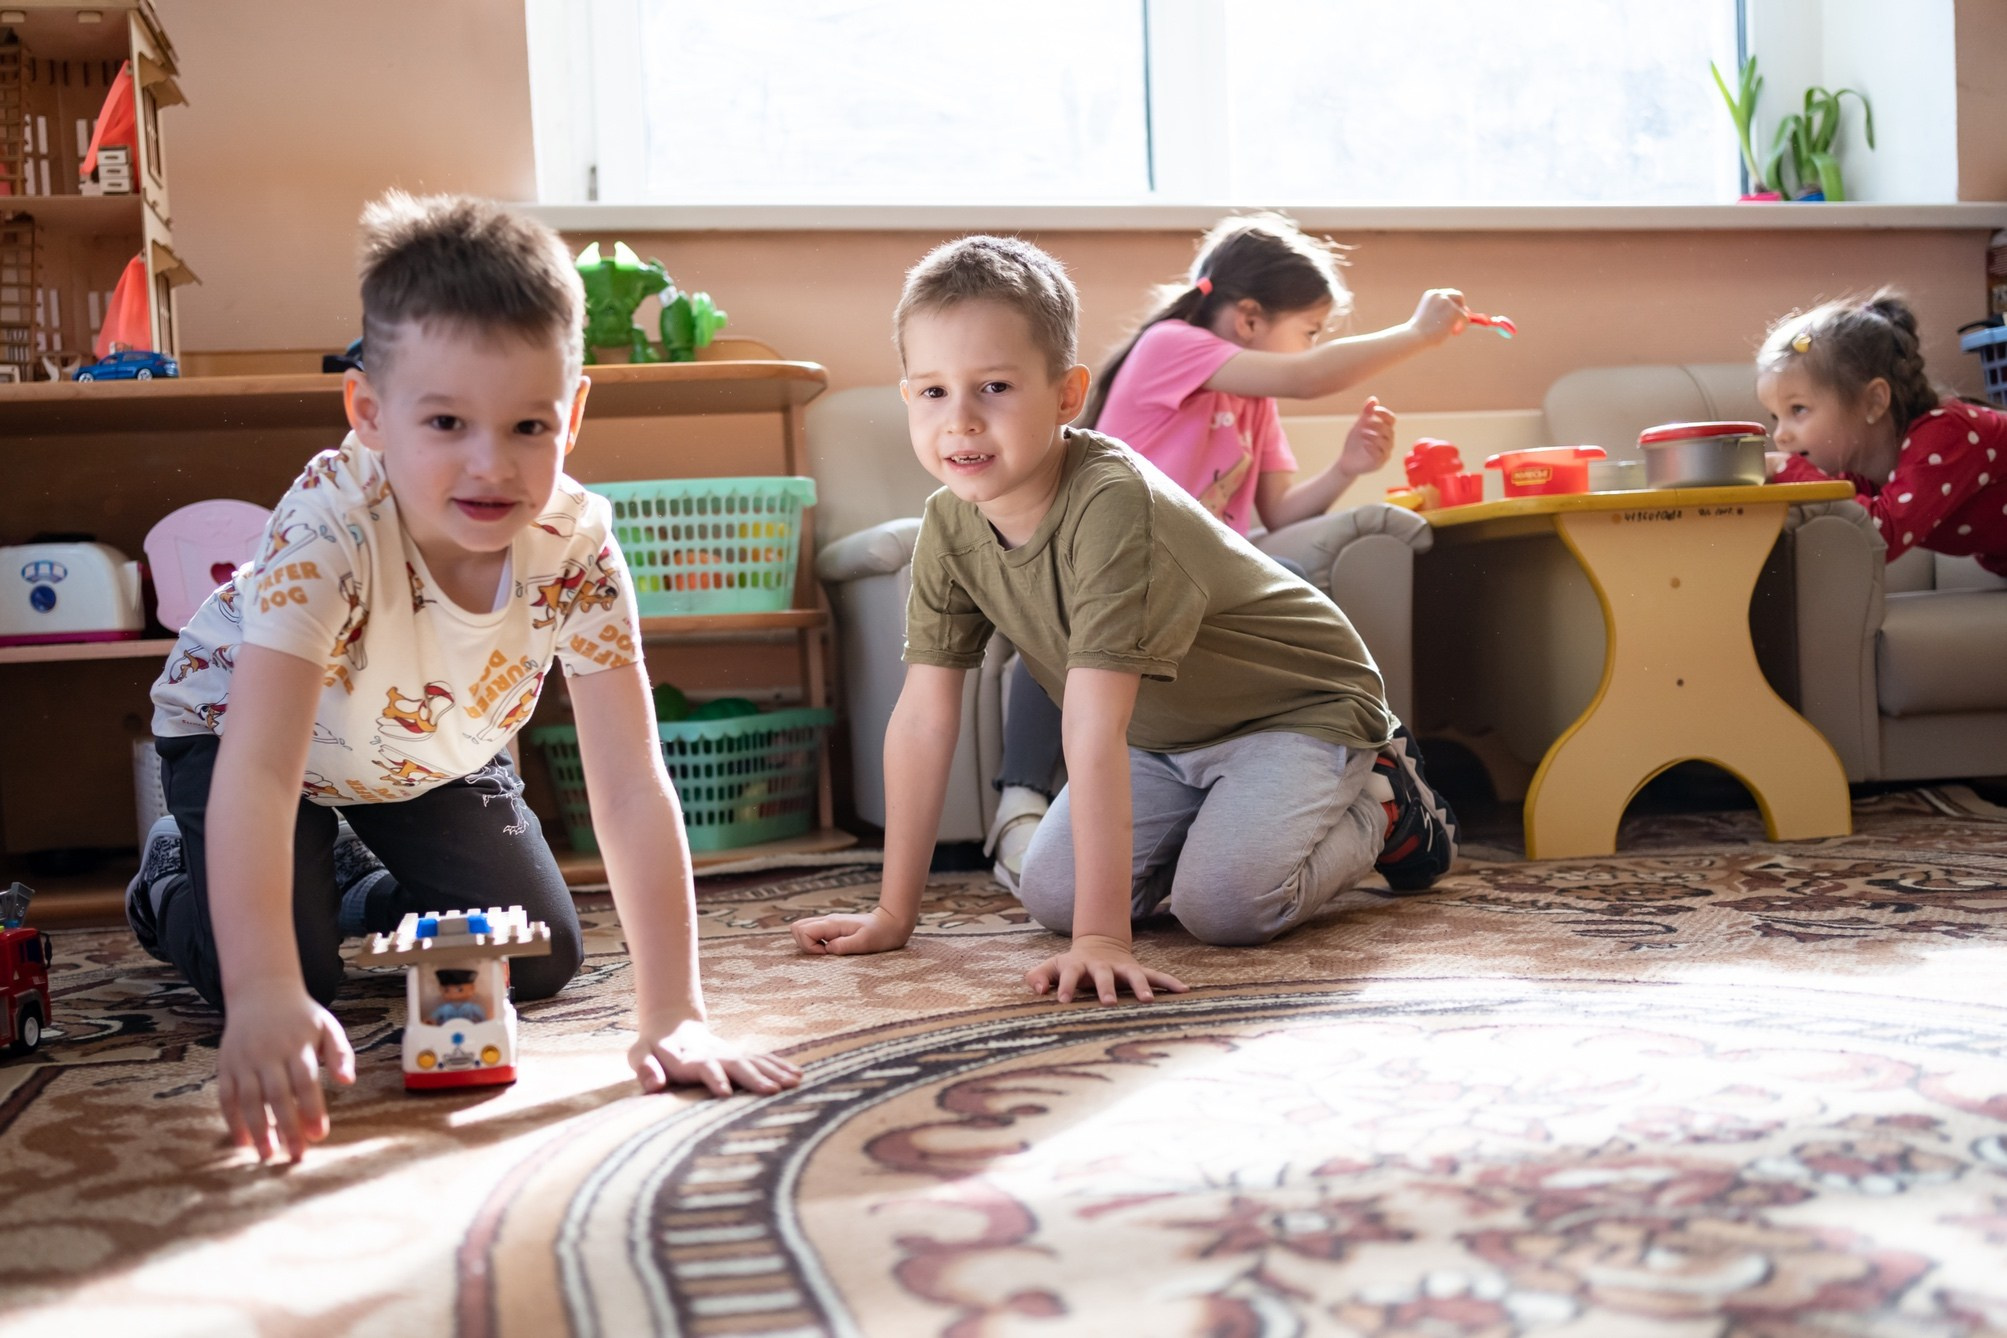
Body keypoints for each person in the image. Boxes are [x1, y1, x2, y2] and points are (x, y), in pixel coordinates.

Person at [131, 191, 800, 1162]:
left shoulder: (577, 548)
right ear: (370, 412)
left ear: (573, 413)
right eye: (445, 421)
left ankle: (355, 880)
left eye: (529, 426)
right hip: (244, 740)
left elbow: (626, 782)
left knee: (537, 951)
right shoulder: (330, 529)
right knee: (293, 975)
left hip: (427, 752)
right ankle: (168, 880)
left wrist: (672, 1011)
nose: (491, 466)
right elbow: (262, 773)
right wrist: (267, 992)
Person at [789, 236, 1459, 1004]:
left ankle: (1382, 804)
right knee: (1051, 897)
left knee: (1226, 909)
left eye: (995, 387)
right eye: (933, 392)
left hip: (1293, 709)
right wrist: (892, 912)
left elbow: (1091, 727)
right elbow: (922, 719)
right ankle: (1227, 827)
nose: (961, 422)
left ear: (1067, 395)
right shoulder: (948, 523)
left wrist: (1102, 942)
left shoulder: (1111, 501)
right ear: (908, 397)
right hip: (1160, 733)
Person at [985, 213, 1477, 887]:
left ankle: (1370, 755)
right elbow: (1306, 377)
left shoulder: (1253, 401)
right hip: (1122, 568)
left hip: (1209, 580)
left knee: (1286, 586)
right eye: (1306, 330)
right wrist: (1417, 334)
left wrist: (1345, 467)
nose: (1305, 347)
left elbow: (1276, 510)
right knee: (1071, 615)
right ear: (1248, 319)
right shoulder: (1168, 345)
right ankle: (1020, 800)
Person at [1759, 290, 2007, 575]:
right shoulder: (1863, 472)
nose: (1780, 436)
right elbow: (1846, 516)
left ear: (1874, 402)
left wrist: (1786, 467)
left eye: (1798, 409)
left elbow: (1878, 537)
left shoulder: (1947, 433)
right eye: (1776, 416)